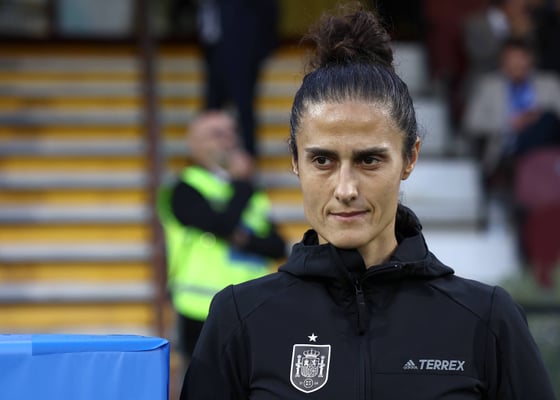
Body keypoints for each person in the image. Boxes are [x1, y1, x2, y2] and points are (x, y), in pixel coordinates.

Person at [180, 4, 556, 399]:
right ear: (295, 160)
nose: (345, 189)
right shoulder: (238, 318)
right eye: (322, 161)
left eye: (369, 160)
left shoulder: (488, 319)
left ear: (410, 158)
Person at [157, 110, 286, 365]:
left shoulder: (247, 190)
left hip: (251, 305)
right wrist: (241, 185)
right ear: (195, 144)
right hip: (201, 308)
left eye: (232, 132)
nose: (229, 140)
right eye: (217, 134)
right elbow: (222, 225)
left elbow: (277, 246)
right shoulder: (184, 188)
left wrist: (242, 238)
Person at [462, 37, 560, 198]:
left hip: (545, 146)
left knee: (548, 118)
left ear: (530, 59)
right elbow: (471, 122)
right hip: (506, 149)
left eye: (521, 58)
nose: (516, 64)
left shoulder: (550, 83)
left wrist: (534, 118)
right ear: (502, 62)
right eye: (511, 59)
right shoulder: (488, 85)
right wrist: (510, 123)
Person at [197, 0, 279, 156]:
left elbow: (268, 12)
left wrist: (260, 53)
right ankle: (209, 156)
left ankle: (248, 156)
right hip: (215, 55)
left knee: (244, 108)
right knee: (212, 111)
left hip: (243, 57)